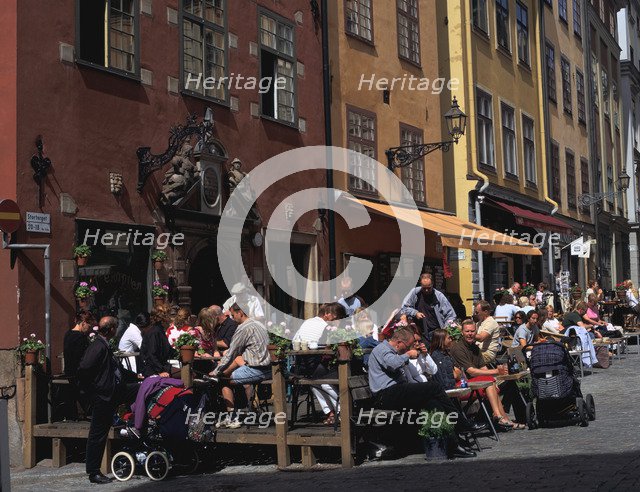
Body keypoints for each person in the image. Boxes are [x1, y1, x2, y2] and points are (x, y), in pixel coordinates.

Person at [367, 326, 484, 458]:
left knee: (433, 404)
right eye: (409, 345)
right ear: (399, 342)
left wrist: (420, 355)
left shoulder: (393, 351)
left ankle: (454, 445)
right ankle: (462, 424)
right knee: (434, 387)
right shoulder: (382, 349)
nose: (410, 348)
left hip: (397, 392)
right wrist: (408, 355)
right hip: (386, 394)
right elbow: (392, 364)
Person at [77, 316, 137, 484]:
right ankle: (94, 472)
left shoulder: (103, 344)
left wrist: (135, 377)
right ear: (111, 329)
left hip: (110, 392)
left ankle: (135, 420)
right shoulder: (98, 346)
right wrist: (94, 389)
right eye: (116, 327)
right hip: (102, 396)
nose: (117, 330)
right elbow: (84, 368)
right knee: (98, 433)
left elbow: (114, 369)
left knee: (138, 389)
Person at [450, 320, 524, 430]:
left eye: (472, 331)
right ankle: (499, 416)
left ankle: (509, 419)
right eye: (467, 331)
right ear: (462, 332)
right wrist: (495, 372)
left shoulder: (475, 347)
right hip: (464, 384)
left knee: (509, 384)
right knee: (491, 383)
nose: (470, 333)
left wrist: (496, 376)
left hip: (478, 381)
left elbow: (483, 367)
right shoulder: (458, 348)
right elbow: (472, 371)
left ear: (476, 332)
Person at [209, 303, 271, 428]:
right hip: (267, 368)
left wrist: (216, 371)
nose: (232, 318)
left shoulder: (243, 328)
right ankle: (240, 411)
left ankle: (232, 417)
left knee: (223, 379)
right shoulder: (259, 325)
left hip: (256, 370)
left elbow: (231, 353)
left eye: (233, 315)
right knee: (231, 370)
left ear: (240, 313)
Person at [292, 303, 346, 425]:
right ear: (327, 315)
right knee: (324, 382)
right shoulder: (328, 327)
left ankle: (331, 413)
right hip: (317, 365)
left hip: (302, 366)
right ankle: (342, 410)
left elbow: (294, 340)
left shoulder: (307, 322)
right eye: (337, 317)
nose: (338, 320)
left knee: (314, 383)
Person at [400, 273, 455, 341]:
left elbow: (450, 315)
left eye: (429, 288)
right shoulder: (415, 293)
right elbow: (404, 308)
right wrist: (415, 313)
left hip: (436, 332)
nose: (426, 290)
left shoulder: (439, 296)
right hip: (418, 332)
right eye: (424, 288)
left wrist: (445, 329)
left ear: (432, 284)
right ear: (420, 284)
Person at [140, 305, 174, 378]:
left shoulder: (160, 331)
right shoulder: (154, 332)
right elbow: (151, 355)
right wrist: (161, 371)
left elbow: (170, 351)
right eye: (169, 316)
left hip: (161, 368)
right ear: (164, 318)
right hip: (153, 372)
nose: (171, 319)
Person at [63, 310, 95, 378]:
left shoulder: (68, 334)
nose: (89, 329)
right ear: (83, 323)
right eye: (89, 326)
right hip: (79, 375)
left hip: (69, 373)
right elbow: (83, 358)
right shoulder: (81, 337)